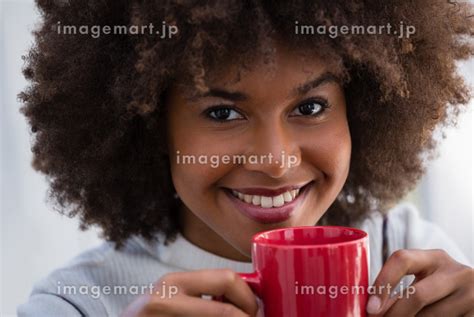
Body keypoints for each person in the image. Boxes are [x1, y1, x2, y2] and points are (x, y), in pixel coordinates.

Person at [17, 1, 473, 316]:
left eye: (310, 107)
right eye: (223, 113)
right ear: (152, 127)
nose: (275, 161)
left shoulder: (406, 257)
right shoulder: (81, 302)